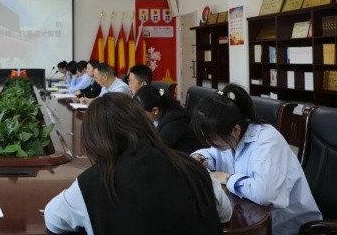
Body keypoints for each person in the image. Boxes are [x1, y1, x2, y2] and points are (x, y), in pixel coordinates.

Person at [44, 92, 230, 234]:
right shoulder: (191, 166)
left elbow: (53, 219)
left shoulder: (92, 183)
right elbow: (225, 213)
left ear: (94, 139)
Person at [190, 83, 321, 235]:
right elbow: (214, 154)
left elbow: (265, 194)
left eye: (212, 139)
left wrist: (226, 177)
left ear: (236, 130)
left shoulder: (266, 141)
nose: (209, 143)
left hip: (288, 227)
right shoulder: (230, 137)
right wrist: (200, 157)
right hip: (251, 216)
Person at [135, 85, 202, 154]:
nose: (139, 116)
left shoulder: (172, 126)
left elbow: (154, 153)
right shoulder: (162, 113)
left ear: (155, 110)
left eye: (141, 113)